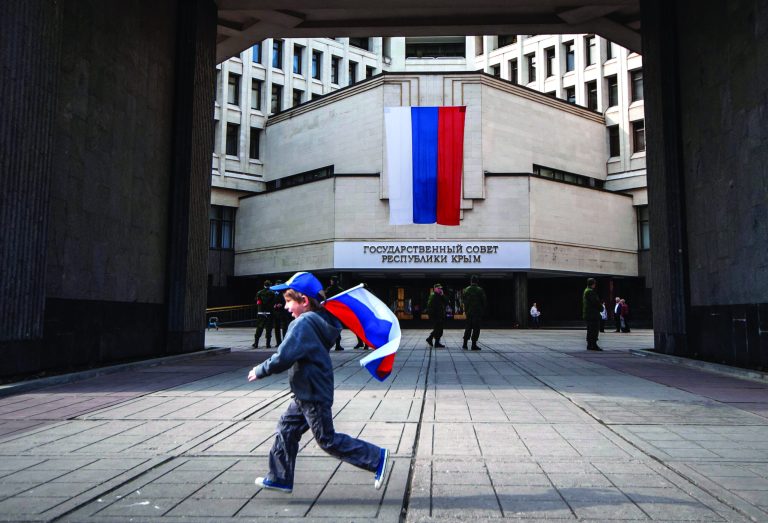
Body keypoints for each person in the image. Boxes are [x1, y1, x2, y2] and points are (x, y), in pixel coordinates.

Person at [247, 272, 389, 493]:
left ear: (304, 301)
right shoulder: (318, 320)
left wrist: (260, 370)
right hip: (306, 391)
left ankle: (376, 457)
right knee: (287, 428)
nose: (285, 307)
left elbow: (283, 357)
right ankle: (279, 477)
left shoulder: (303, 323)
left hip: (312, 394)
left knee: (327, 440)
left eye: (288, 301)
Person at [462, 275, 487, 350]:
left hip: (469, 312)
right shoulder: (480, 290)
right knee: (476, 328)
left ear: (471, 281)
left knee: (468, 328)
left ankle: (465, 344)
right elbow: (484, 301)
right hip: (477, 312)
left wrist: (466, 310)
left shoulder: (466, 290)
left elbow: (463, 301)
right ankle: (473, 345)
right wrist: (483, 310)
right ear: (477, 281)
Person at [324, 276, 345, 351]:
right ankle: (337, 345)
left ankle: (332, 345)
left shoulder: (328, 290)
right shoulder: (340, 290)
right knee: (337, 328)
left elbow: (324, 298)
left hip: (329, 311)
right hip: (336, 312)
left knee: (331, 328)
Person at [253, 279, 276, 348]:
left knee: (259, 327)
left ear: (264, 285)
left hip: (261, 312)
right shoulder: (272, 293)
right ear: (270, 285)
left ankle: (256, 343)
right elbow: (274, 302)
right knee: (269, 328)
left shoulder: (259, 293)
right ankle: (268, 344)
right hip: (269, 313)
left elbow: (256, 301)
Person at [582, 277, 602, 351]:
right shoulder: (590, 292)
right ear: (593, 284)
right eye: (594, 284)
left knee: (590, 330)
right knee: (594, 330)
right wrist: (601, 308)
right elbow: (595, 302)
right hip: (592, 314)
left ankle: (590, 345)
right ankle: (593, 345)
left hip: (588, 314)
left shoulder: (586, 290)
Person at [426, 283, 447, 348]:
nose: (440, 289)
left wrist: (442, 295)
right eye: (438, 288)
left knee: (439, 329)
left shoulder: (439, 295)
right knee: (438, 329)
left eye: (441, 288)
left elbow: (446, 302)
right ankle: (432, 340)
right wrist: (432, 316)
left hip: (440, 315)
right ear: (435, 289)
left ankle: (434, 341)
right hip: (436, 316)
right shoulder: (433, 296)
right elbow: (430, 307)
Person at [272, 279, 288, 346]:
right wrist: (274, 305)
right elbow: (270, 301)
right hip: (275, 312)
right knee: (277, 327)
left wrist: (282, 304)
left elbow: (288, 301)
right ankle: (278, 342)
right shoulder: (273, 292)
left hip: (283, 312)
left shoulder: (285, 292)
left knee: (284, 327)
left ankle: (284, 341)